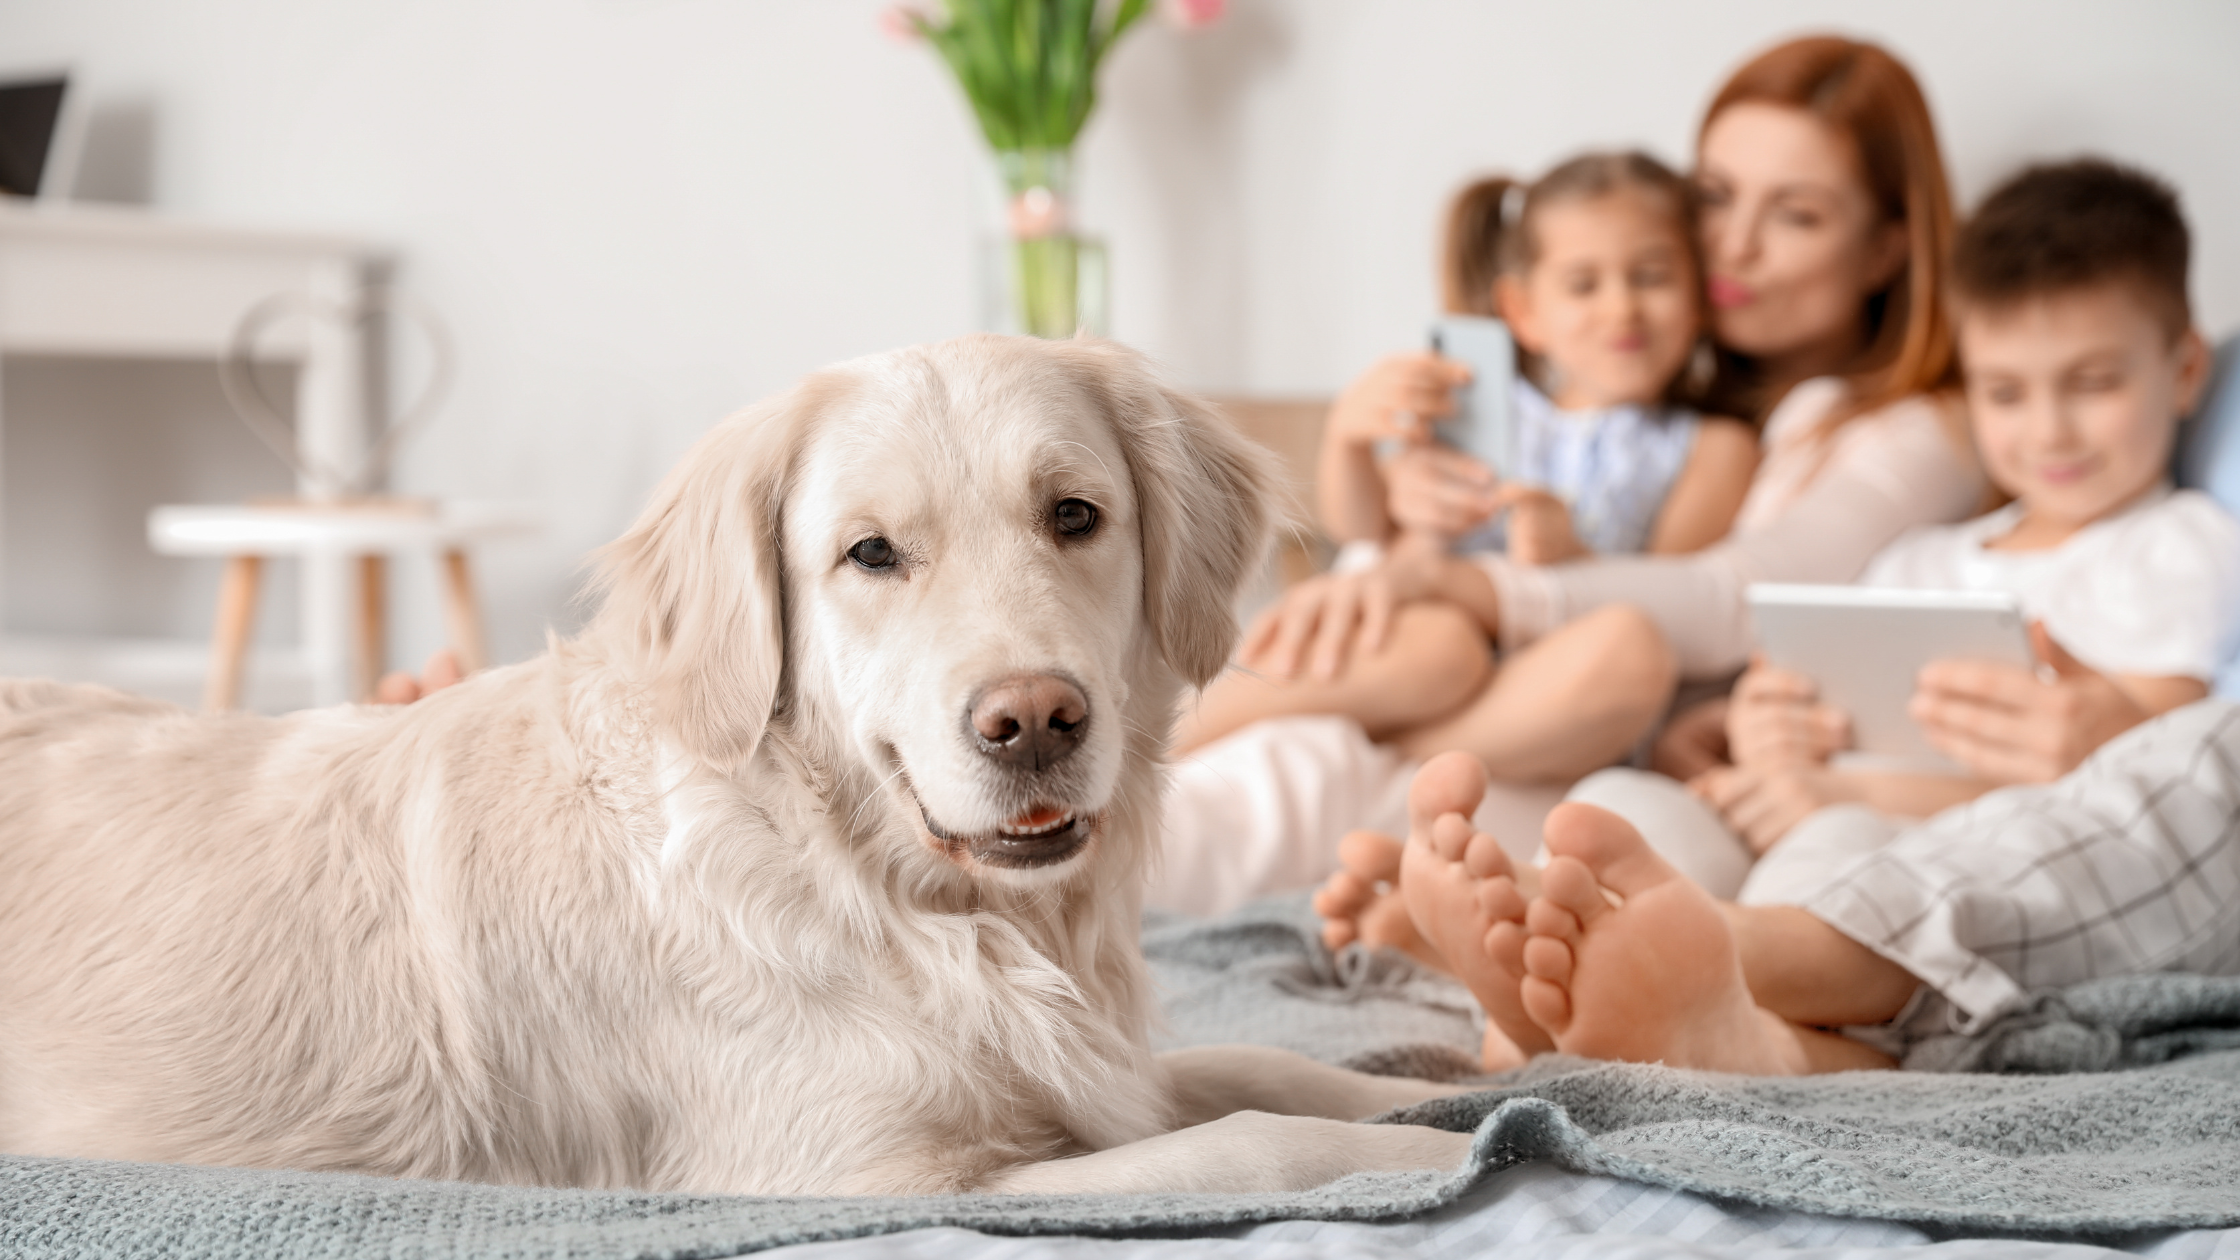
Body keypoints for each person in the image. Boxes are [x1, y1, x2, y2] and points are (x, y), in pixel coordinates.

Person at [1336, 157, 2240, 1074]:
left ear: (2186, 370)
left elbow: (2150, 795)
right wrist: (1752, 727)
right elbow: (1795, 693)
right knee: (1630, 809)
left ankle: (1671, 992)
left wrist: (1840, 792)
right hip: (1800, 812)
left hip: (1907, 839)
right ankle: (1561, 980)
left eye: (2092, 384)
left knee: (1847, 851)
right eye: (2006, 393)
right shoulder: (1921, 557)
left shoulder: (2182, 544)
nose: (2048, 431)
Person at [1155, 36, 1987, 917]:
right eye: (1714, 198)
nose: (1733, 247)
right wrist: (1380, 487)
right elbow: (1394, 522)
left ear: (1888, 249)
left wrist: (1463, 580)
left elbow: (1727, 596)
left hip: (1573, 733)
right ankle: (1173, 752)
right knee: (1301, 754)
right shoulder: (1642, 390)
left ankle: (1326, 757)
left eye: (1797, 216)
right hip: (1446, 682)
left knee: (1325, 772)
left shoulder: (1913, 433)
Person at [1173, 151, 1759, 766]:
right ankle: (1168, 740)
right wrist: (1350, 438)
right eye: (1584, 285)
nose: (1621, 309)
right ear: (1524, 314)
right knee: (1441, 648)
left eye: (1652, 277)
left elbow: (1675, 604)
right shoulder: (1481, 402)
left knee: (1629, 651)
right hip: (1423, 655)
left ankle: (1383, 760)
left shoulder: (1713, 447)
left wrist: (1572, 556)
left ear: (1700, 297)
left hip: (1544, 682)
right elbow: (1362, 527)